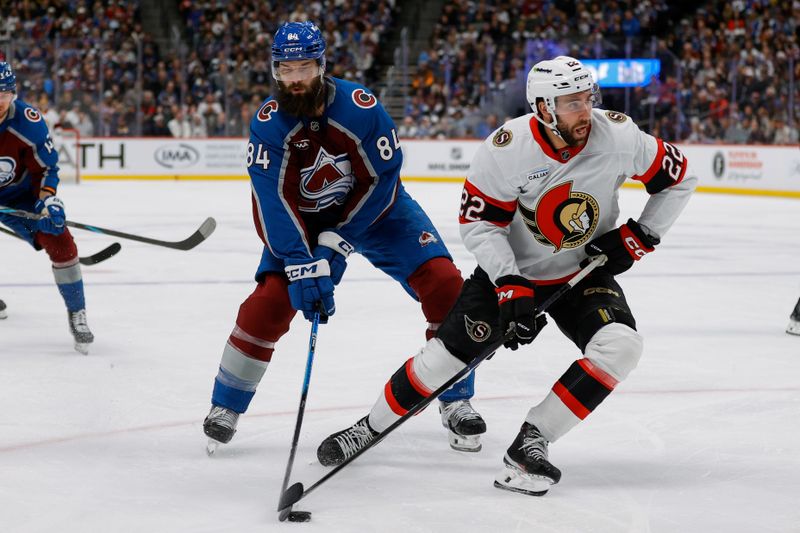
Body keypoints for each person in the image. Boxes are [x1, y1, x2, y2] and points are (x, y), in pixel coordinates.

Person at [316, 56, 697, 496]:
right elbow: (481, 225)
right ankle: (369, 428)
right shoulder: (507, 148)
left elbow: (680, 178)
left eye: (587, 98)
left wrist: (641, 234)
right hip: (513, 273)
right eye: (572, 103)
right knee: (444, 361)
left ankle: (532, 442)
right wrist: (510, 284)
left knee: (621, 346)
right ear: (544, 108)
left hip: (582, 271)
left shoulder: (619, 135)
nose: (586, 111)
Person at [202, 21, 484, 455]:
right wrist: (300, 263)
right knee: (268, 305)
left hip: (379, 214)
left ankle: (456, 397)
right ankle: (226, 406)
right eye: (286, 70)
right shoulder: (268, 124)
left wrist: (338, 241)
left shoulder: (361, 108)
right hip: (303, 223)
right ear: (275, 71)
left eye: (304, 67)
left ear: (321, 65)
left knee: (445, 283)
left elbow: (382, 179)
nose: (295, 79)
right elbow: (271, 204)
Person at [0, 61, 94, 354]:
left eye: (4, 93)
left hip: (21, 197)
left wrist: (48, 201)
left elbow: (47, 169)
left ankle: (77, 314)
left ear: (13, 94)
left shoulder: (27, 122)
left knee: (60, 239)